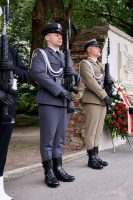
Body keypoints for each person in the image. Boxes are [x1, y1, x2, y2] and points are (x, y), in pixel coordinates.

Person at [31, 23, 81, 188]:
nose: (59, 36)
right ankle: (48, 171)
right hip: (50, 100)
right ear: (47, 37)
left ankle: (58, 167)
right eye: (55, 34)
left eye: (60, 34)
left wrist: (72, 72)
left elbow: (77, 80)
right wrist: (59, 91)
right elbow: (38, 74)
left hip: (64, 102)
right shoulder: (41, 53)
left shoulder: (64, 56)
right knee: (48, 138)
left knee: (59, 138)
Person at [0, 46, 29, 200]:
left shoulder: (10, 49)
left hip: (8, 103)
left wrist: (13, 68)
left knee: (2, 147)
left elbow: (25, 75)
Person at [78, 39, 112, 170]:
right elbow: (91, 82)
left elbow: (110, 79)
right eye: (95, 47)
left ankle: (96, 155)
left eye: (99, 47)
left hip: (102, 101)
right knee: (91, 130)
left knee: (98, 131)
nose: (98, 48)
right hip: (92, 99)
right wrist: (104, 95)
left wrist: (110, 81)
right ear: (88, 49)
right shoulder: (85, 64)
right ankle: (91, 158)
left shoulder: (101, 65)